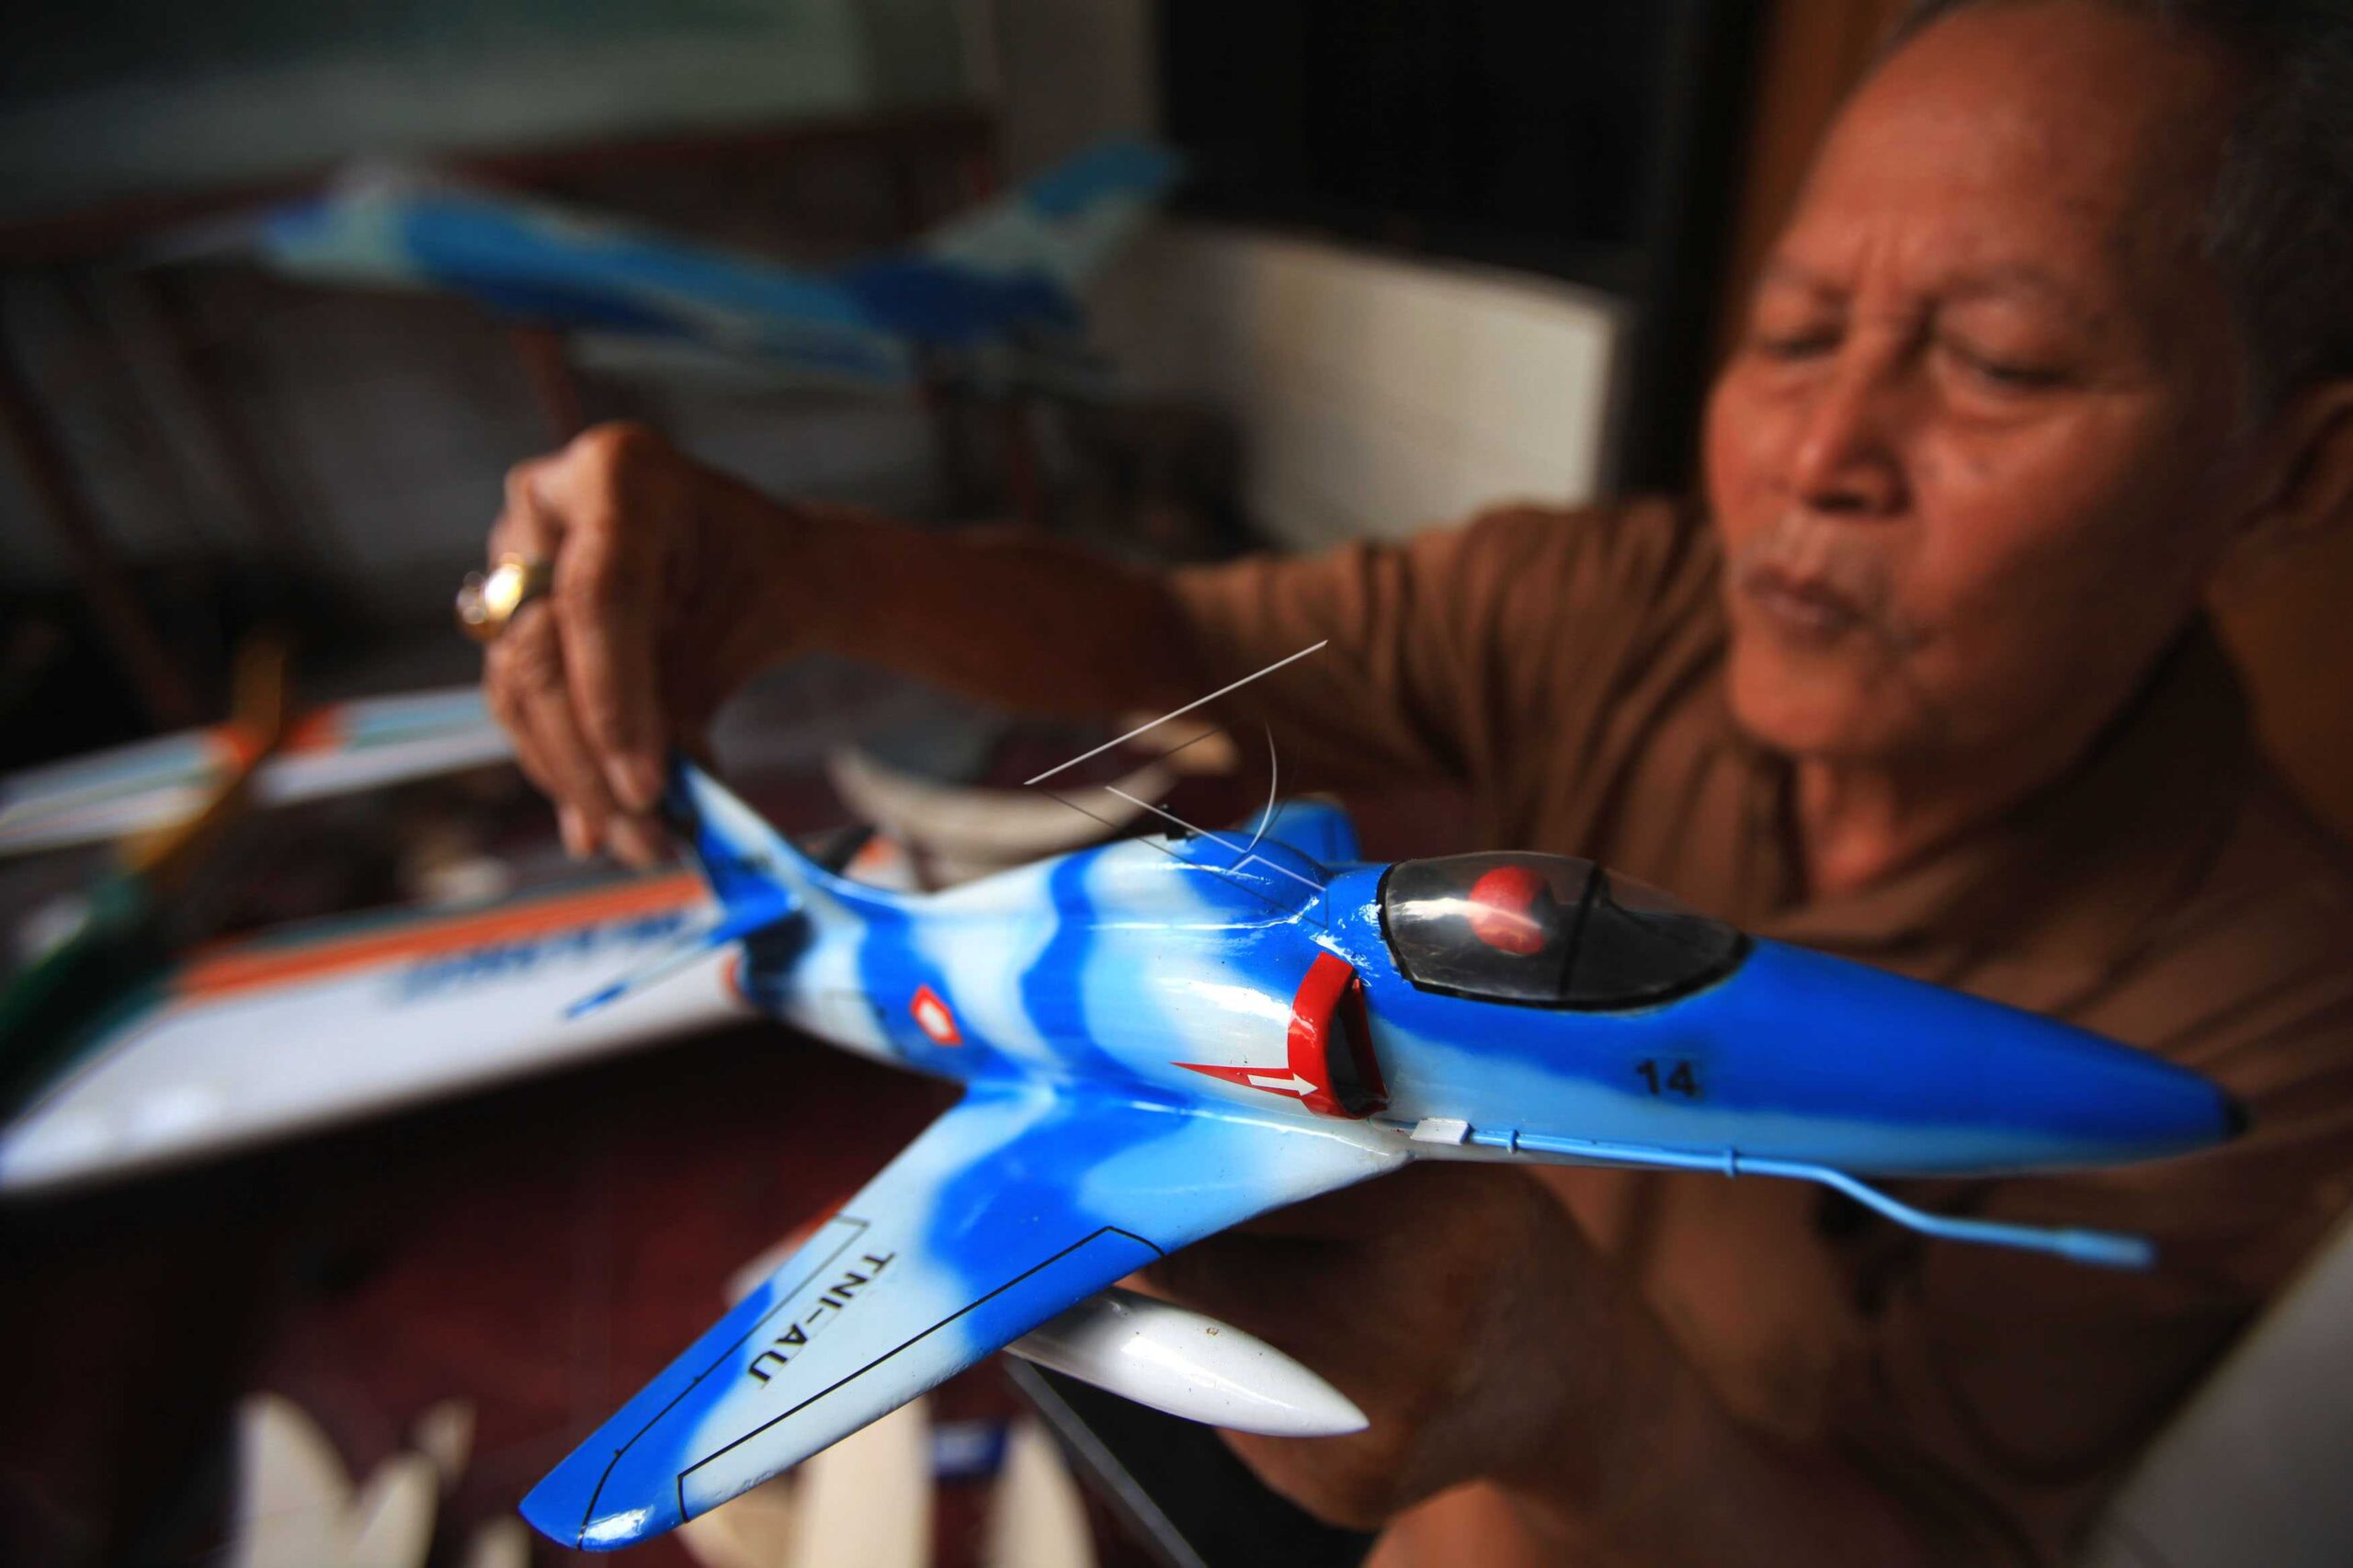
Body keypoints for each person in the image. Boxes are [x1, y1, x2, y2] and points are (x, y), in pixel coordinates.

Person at [474, 0, 2353, 1560]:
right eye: (1787, 332)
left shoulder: (2271, 1004)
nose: (1817, 451)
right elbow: (1162, 634)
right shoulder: (1621, 597)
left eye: (2003, 363)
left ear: (2288, 477)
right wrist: (798, 565)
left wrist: (1594, 1408)